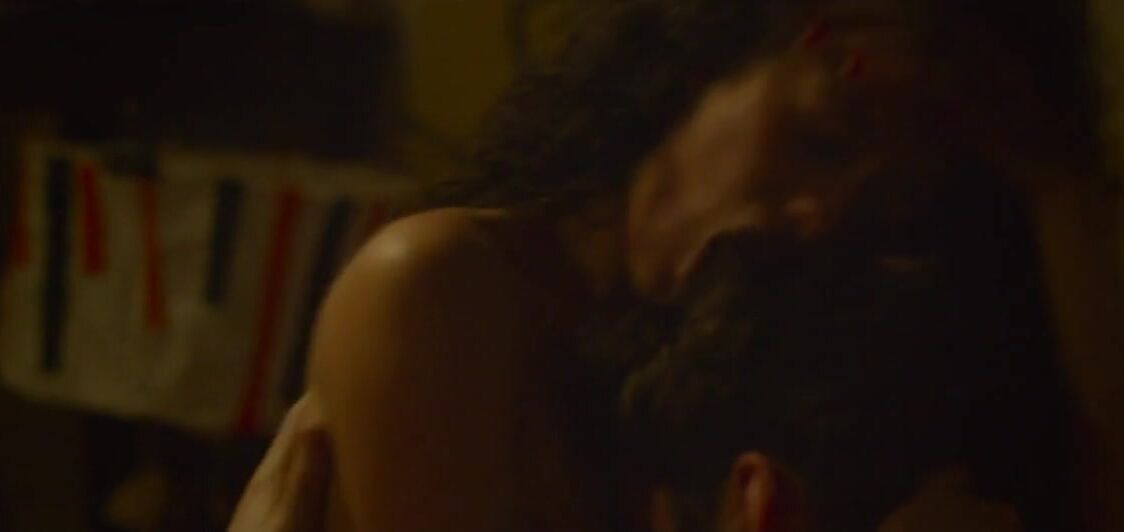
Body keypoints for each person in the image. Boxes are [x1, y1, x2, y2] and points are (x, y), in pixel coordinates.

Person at [230, 0, 1123, 530]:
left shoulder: (757, 370)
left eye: (884, 214)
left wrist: (1056, 185)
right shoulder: (448, 288)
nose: (819, 220)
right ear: (712, 61)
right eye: (821, 139)